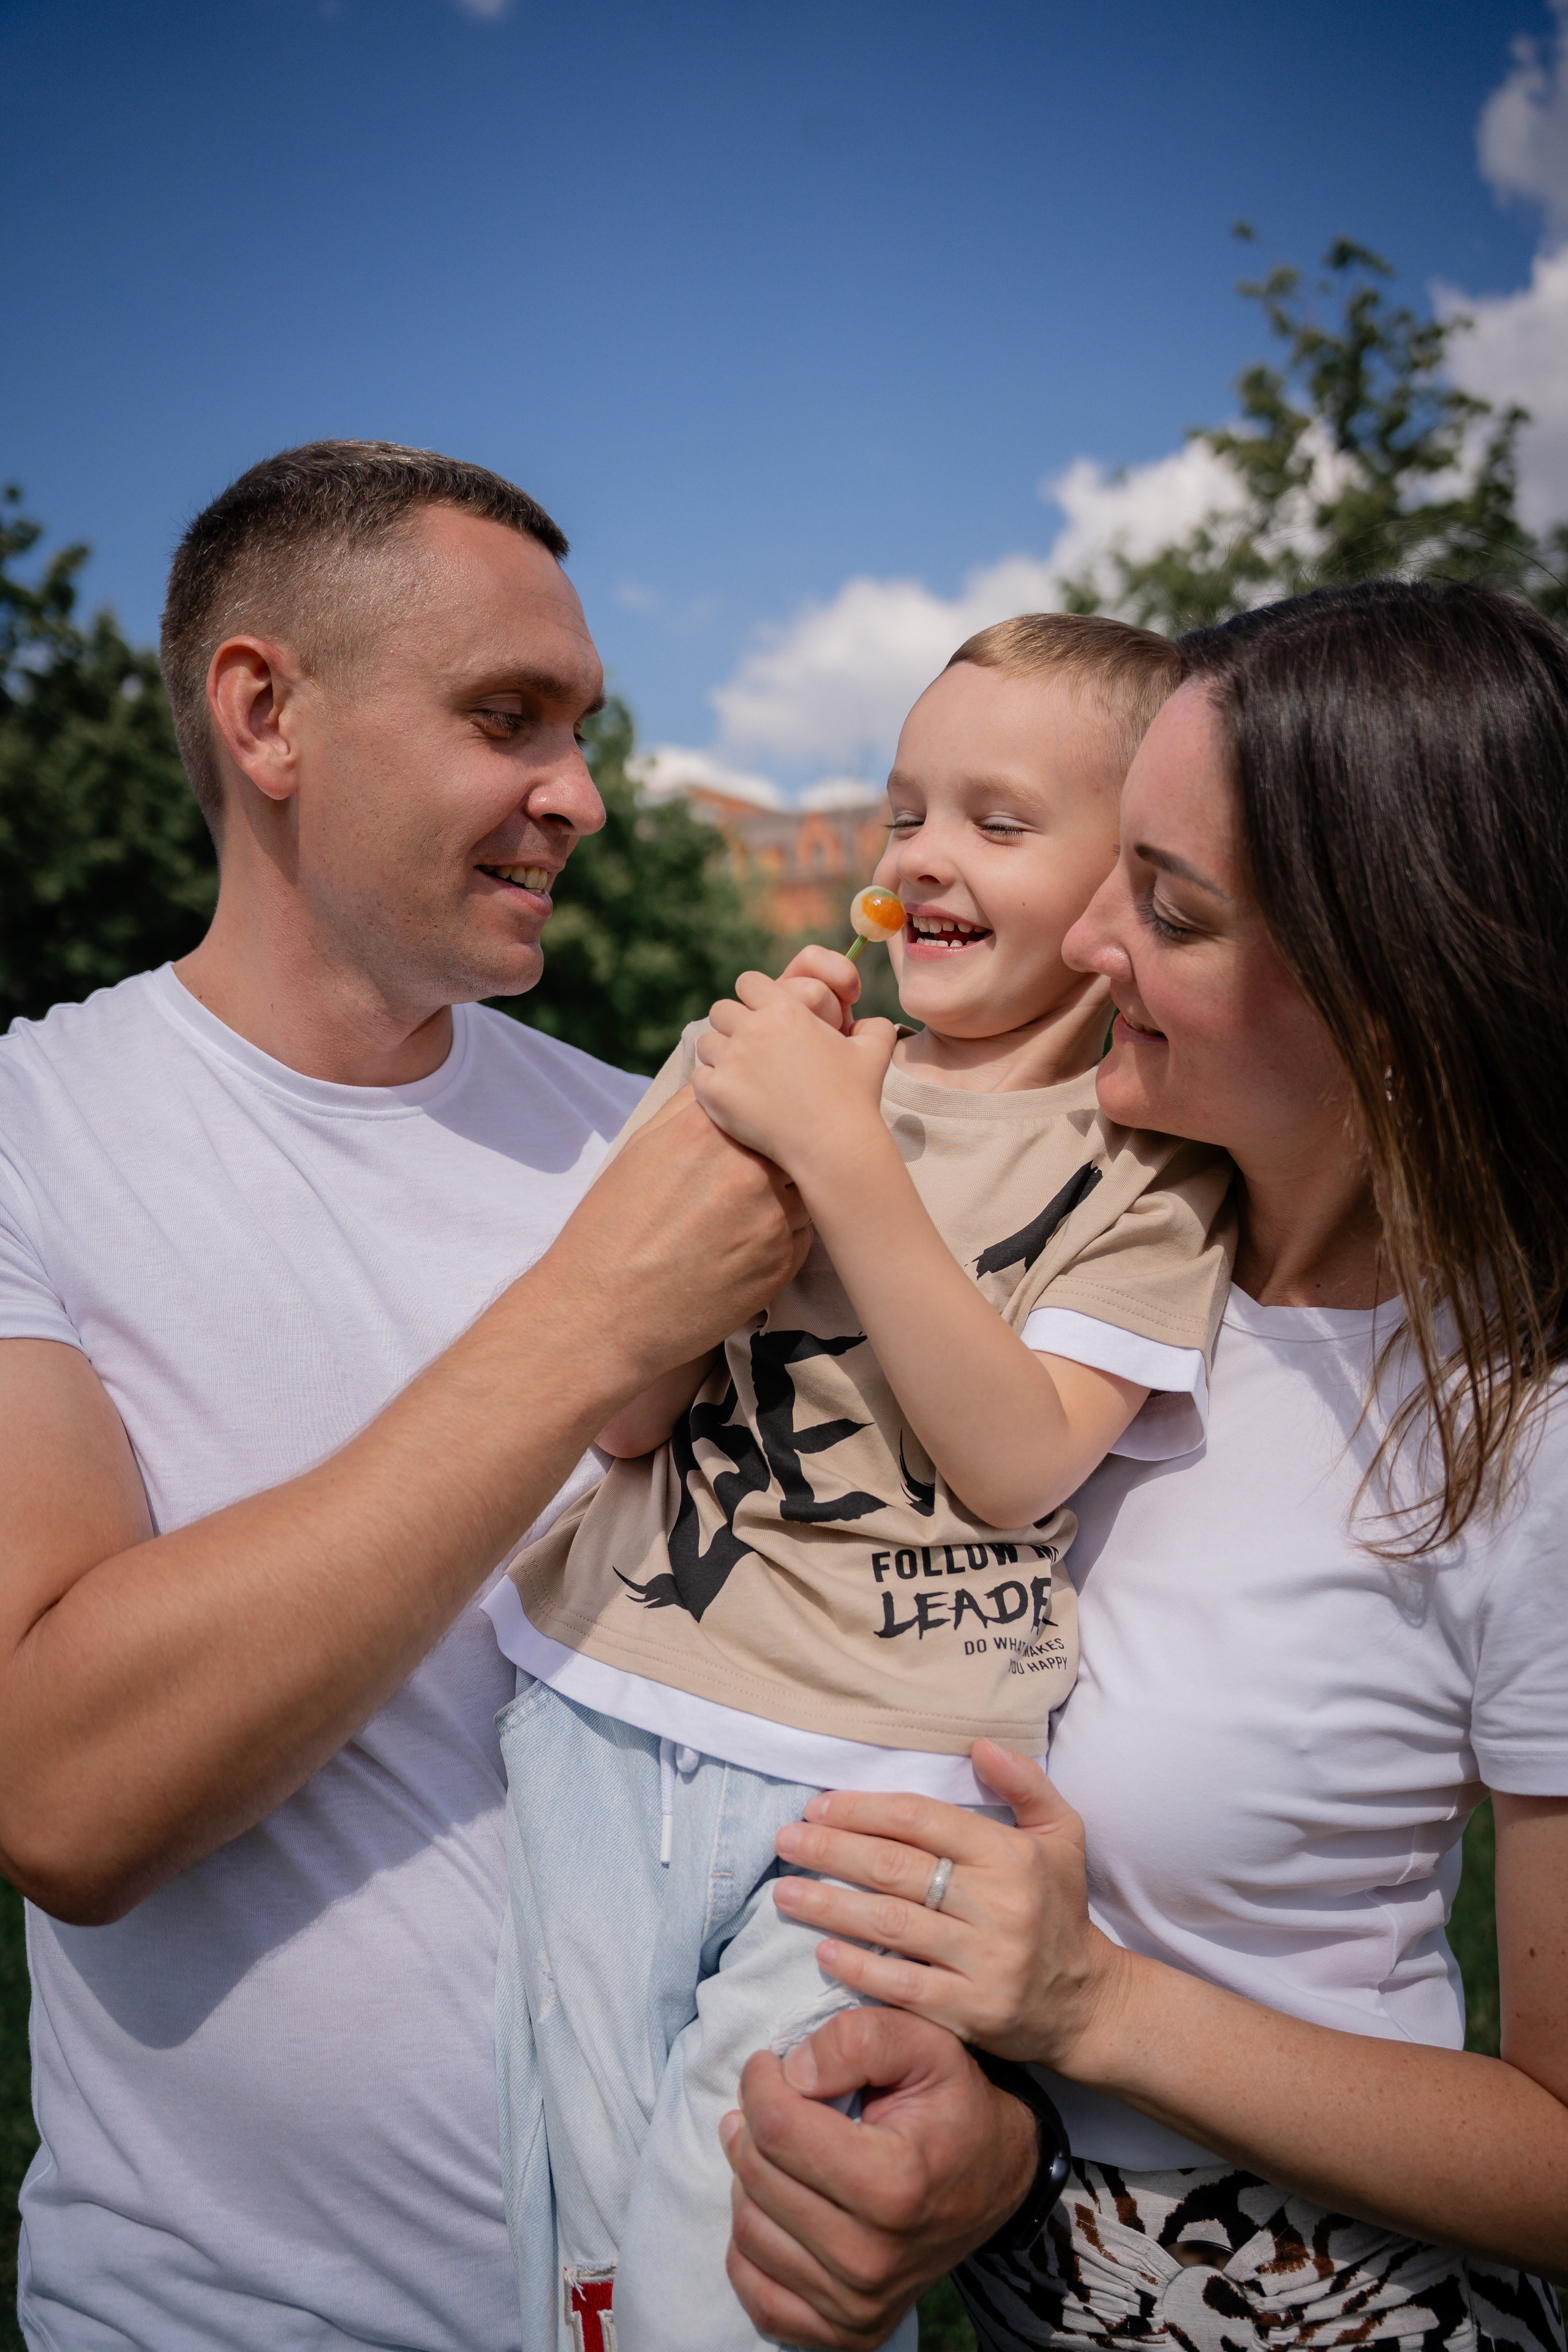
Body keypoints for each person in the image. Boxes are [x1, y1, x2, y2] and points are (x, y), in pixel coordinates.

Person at [0, 440, 1043, 2352]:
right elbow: (61, 1789)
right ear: (265, 715)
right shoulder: (32, 1135)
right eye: (509, 720)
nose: (580, 794)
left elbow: (935, 1634)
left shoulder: (661, 1134)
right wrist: (591, 1320)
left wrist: (999, 2122)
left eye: (587, 727)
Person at [718, 579, 1568, 2352]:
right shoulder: (1050, 1277)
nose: (1089, 933)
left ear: (1388, 1000)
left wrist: (1097, 2011)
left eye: (1167, 906)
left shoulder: (1525, 1430)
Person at [486, 616, 1234, 2347]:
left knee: (747, 2237)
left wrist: (844, 1159)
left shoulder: (1152, 1166)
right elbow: (619, 1412)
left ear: (1125, 885)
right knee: (585, 2239)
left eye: (997, 820)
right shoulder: (759, 1066)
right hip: (606, 1714)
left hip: (891, 1798)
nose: (923, 859)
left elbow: (1023, 1462)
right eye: (907, 812)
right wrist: (741, 1137)